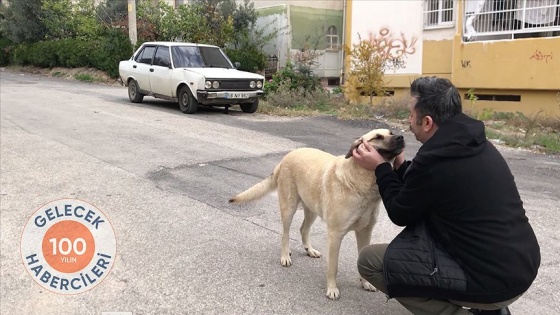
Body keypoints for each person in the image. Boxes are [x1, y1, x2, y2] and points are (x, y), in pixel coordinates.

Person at [352, 77, 540, 315]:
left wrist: (381, 168)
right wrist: (398, 163)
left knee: (370, 261)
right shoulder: (475, 144)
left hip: (491, 280)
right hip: (521, 265)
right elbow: (425, 186)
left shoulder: (434, 160)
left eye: (411, 115)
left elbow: (400, 211)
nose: (409, 121)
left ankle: (471, 310)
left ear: (427, 122)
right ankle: (491, 309)